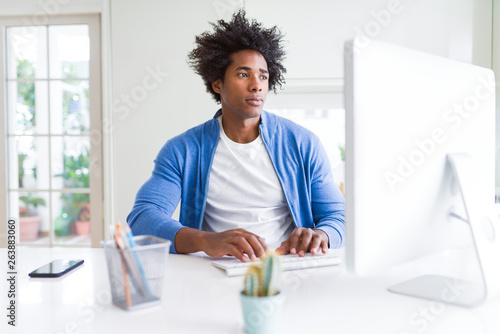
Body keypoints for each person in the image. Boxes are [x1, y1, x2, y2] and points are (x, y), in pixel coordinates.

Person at [127, 10, 345, 262]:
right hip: (213, 270)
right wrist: (205, 240)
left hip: (286, 267)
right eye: (244, 74)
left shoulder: (303, 143)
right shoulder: (183, 150)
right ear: (217, 84)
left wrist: (322, 234)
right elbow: (143, 218)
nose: (257, 85)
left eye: (263, 75)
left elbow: (337, 216)